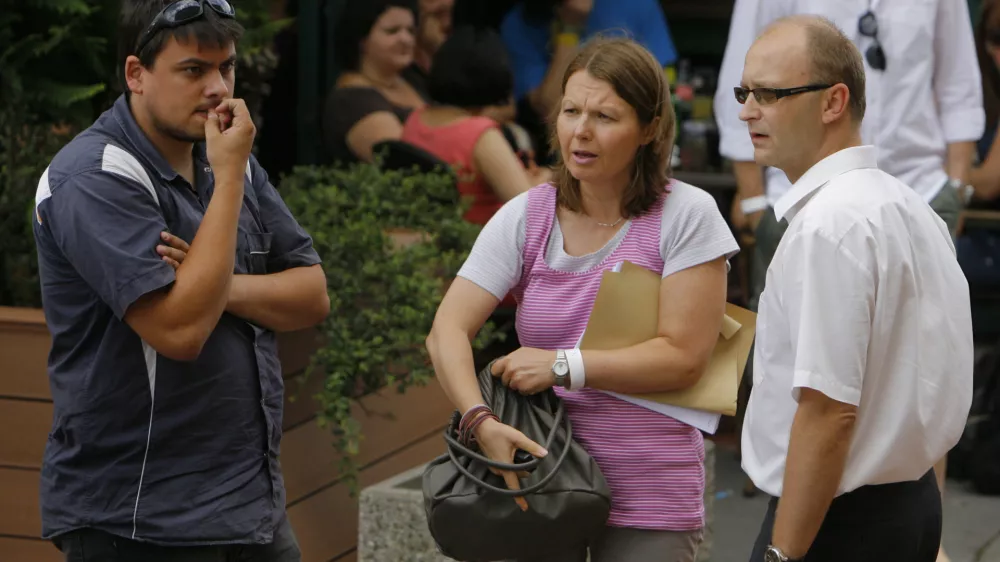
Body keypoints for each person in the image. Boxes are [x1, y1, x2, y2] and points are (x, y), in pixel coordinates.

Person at [31, 1, 330, 560]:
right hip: (141, 518)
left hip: (250, 505)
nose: (219, 88)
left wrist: (214, 281)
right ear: (136, 74)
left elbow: (311, 295)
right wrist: (232, 182)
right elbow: (181, 330)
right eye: (194, 70)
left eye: (228, 68)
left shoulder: (227, 157)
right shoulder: (93, 176)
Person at [425, 36, 739, 562]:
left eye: (606, 116)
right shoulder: (528, 215)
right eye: (570, 111)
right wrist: (482, 422)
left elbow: (684, 357)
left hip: (650, 497)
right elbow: (446, 333)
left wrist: (562, 365)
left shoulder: (687, 214)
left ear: (651, 129)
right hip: (539, 483)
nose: (581, 131)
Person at [714, 4, 984, 546]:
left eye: (769, 94)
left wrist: (783, 554)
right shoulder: (909, 208)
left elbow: (828, 414)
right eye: (745, 93)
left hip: (836, 520)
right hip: (907, 505)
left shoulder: (828, 226)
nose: (747, 112)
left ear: (834, 101)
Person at [401, 26, 548, 225]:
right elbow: (528, 209)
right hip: (479, 243)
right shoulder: (480, 134)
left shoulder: (416, 119)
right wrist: (551, 176)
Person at [501, 0, 678, 164]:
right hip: (557, 160)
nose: (583, 131)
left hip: (637, 157)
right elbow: (550, 107)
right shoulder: (521, 22)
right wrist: (570, 28)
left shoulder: (635, 4)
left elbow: (659, 98)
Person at [322, 0, 427, 164]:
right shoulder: (352, 100)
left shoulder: (414, 79)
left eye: (411, 31)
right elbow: (405, 163)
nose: (406, 39)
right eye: (392, 31)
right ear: (362, 39)